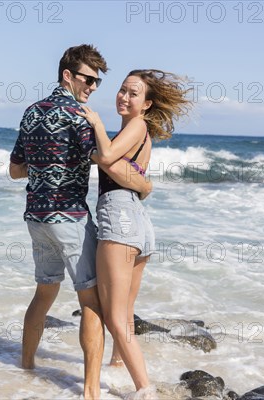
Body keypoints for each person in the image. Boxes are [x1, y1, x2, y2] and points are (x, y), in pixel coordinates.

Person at [9, 45, 152, 399]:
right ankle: (90, 391)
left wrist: (46, 162)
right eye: (88, 79)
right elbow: (108, 162)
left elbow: (15, 170)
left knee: (44, 292)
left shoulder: (31, 112)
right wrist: (145, 184)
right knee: (91, 301)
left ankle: (25, 365)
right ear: (67, 76)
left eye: (98, 82)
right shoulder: (79, 116)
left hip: (36, 217)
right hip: (69, 217)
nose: (92, 87)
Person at [78, 69, 192, 397]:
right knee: (124, 311)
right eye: (122, 90)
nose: (124, 97)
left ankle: (144, 388)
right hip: (139, 223)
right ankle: (116, 368)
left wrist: (95, 126)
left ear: (146, 104)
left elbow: (109, 158)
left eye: (133, 93)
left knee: (114, 316)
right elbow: (125, 171)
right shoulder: (137, 130)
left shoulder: (137, 126)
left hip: (120, 219)